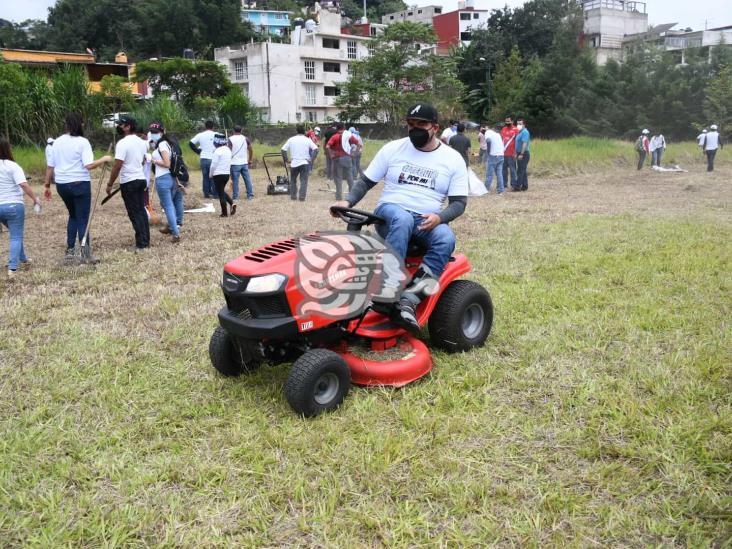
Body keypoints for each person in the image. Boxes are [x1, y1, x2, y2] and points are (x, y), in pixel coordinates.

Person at [331, 102, 468, 330]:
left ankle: (410, 299)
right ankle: (388, 288)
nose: (415, 129)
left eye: (421, 124)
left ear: (435, 127)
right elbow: (366, 181)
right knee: (402, 218)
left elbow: (459, 203)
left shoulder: (452, 159)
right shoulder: (393, 149)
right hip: (391, 212)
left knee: (446, 238)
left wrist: (440, 218)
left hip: (426, 219)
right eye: (410, 124)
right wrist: (346, 202)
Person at [44, 112, 111, 261]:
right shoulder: (82, 142)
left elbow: (50, 166)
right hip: (79, 184)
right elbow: (89, 165)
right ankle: (86, 254)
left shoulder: (57, 142)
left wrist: (47, 185)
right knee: (82, 219)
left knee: (73, 216)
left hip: (62, 185)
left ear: (66, 125)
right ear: (80, 124)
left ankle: (69, 250)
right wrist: (104, 159)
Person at [106, 115, 150, 250]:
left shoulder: (122, 143)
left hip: (129, 181)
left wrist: (110, 184)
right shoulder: (142, 142)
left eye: (121, 125)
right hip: (140, 179)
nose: (119, 127)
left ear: (128, 127)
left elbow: (117, 165)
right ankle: (145, 240)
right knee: (141, 210)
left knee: (134, 212)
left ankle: (142, 244)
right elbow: (143, 161)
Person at [0, 138, 42, 278]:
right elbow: (23, 184)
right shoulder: (13, 166)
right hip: (14, 206)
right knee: (16, 236)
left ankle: (23, 258)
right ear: (8, 149)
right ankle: (12, 267)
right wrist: (35, 198)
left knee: (15, 232)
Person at [148, 122, 183, 243]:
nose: (153, 134)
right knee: (170, 205)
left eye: (155, 132)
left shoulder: (162, 144)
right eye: (151, 132)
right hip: (171, 179)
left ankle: (175, 232)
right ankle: (173, 228)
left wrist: (153, 160)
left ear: (162, 132)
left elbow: (167, 164)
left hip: (163, 179)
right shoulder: (167, 143)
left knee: (168, 206)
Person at [282, 125, 318, 201]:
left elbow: (283, 150)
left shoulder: (291, 139)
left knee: (293, 180)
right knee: (304, 181)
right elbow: (316, 149)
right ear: (304, 131)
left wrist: (287, 160)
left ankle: (293, 196)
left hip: (294, 163)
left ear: (296, 131)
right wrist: (311, 159)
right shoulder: (307, 140)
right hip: (305, 162)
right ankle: (302, 197)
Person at [326, 122, 360, 201]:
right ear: (344, 128)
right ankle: (351, 196)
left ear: (337, 128)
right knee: (349, 177)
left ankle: (338, 196)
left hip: (337, 159)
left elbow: (327, 146)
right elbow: (359, 144)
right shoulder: (348, 136)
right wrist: (354, 153)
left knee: (338, 178)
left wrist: (331, 154)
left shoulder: (334, 136)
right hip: (347, 158)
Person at [189, 120, 217, 198]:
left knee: (205, 177)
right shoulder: (217, 134)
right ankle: (215, 194)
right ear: (213, 127)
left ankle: (206, 194)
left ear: (205, 126)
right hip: (213, 158)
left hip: (204, 158)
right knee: (214, 177)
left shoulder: (200, 135)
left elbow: (191, 143)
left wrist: (197, 151)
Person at [210, 133, 235, 217]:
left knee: (220, 194)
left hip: (218, 174)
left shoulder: (217, 151)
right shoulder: (228, 150)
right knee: (221, 191)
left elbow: (213, 165)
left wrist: (211, 174)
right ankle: (232, 203)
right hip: (226, 174)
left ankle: (224, 213)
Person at [229, 125, 254, 201]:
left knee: (235, 181)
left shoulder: (230, 139)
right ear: (241, 130)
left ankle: (235, 197)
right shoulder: (245, 139)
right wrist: (250, 160)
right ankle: (250, 195)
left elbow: (228, 151)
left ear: (233, 131)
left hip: (234, 163)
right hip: (244, 163)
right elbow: (250, 150)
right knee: (247, 179)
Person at [484, 124, 505, 194]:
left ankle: (485, 189)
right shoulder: (497, 134)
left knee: (489, 174)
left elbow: (488, 141)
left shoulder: (487, 132)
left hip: (493, 155)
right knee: (499, 173)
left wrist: (488, 152)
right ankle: (501, 190)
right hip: (501, 155)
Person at [501, 116, 519, 189]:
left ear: (512, 121)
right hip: (503, 153)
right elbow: (501, 139)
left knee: (512, 170)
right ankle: (504, 184)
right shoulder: (503, 129)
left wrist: (516, 152)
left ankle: (513, 184)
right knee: (503, 170)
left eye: (508, 121)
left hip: (512, 153)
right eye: (506, 121)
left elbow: (518, 141)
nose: (507, 123)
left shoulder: (516, 129)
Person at [515, 118, 531, 191]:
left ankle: (517, 187)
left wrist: (521, 154)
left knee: (520, 170)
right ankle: (525, 186)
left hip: (524, 153)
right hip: (519, 153)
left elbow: (524, 143)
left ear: (524, 124)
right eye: (518, 123)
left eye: (520, 124)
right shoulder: (519, 132)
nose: (518, 125)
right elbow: (518, 143)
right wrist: (516, 153)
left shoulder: (525, 132)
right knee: (523, 170)